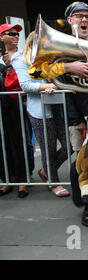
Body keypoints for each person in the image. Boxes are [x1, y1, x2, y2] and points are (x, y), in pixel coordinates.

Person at [28, 1, 88, 231]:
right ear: (69, 21)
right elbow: (35, 70)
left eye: (87, 17)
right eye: (78, 16)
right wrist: (69, 68)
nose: (84, 20)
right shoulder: (63, 49)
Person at [13, 31, 71, 198]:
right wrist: (46, 87)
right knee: (48, 149)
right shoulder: (21, 59)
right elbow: (25, 85)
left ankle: (46, 170)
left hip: (57, 107)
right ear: (32, 44)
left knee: (69, 146)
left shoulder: (49, 58)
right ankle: (54, 182)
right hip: (39, 110)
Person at [0, 24, 34, 198]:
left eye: (17, 34)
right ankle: (6, 179)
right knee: (3, 143)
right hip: (2, 107)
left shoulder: (24, 55)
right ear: (1, 37)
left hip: (18, 105)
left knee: (21, 142)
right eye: (11, 33)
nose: (16, 36)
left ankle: (23, 180)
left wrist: (10, 67)